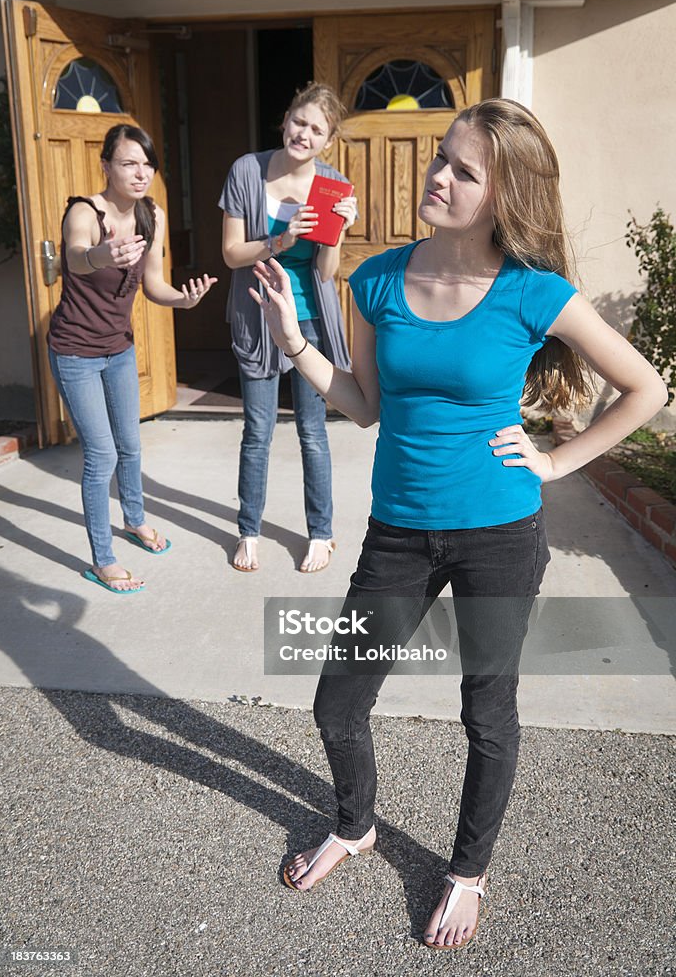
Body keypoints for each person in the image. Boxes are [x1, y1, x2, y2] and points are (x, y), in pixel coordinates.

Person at [247, 98, 668, 947]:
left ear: (502, 196)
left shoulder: (531, 293)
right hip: (398, 532)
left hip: (500, 535)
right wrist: (296, 340)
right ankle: (356, 824)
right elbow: (362, 404)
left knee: (488, 713)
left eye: (463, 170)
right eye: (443, 157)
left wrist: (556, 461)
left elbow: (647, 390)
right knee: (338, 704)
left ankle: (466, 870)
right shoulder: (374, 279)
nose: (438, 175)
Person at [48, 123, 217, 594]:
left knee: (130, 444)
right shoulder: (84, 212)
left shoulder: (151, 215)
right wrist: (104, 253)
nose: (140, 173)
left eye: (147, 164)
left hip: (119, 348)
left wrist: (182, 301)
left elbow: (155, 283)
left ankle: (135, 520)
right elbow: (77, 256)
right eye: (128, 163)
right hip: (75, 352)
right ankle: (102, 559)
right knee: (100, 454)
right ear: (106, 166)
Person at [220, 82, 357, 574]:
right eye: (299, 121)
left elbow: (324, 273)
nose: (304, 133)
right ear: (285, 120)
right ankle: (248, 530)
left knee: (312, 432)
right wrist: (280, 239)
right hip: (259, 317)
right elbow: (233, 253)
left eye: (317, 129)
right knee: (257, 431)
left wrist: (336, 232)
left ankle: (321, 534)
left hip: (311, 323)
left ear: (328, 140)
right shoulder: (246, 171)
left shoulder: (332, 185)